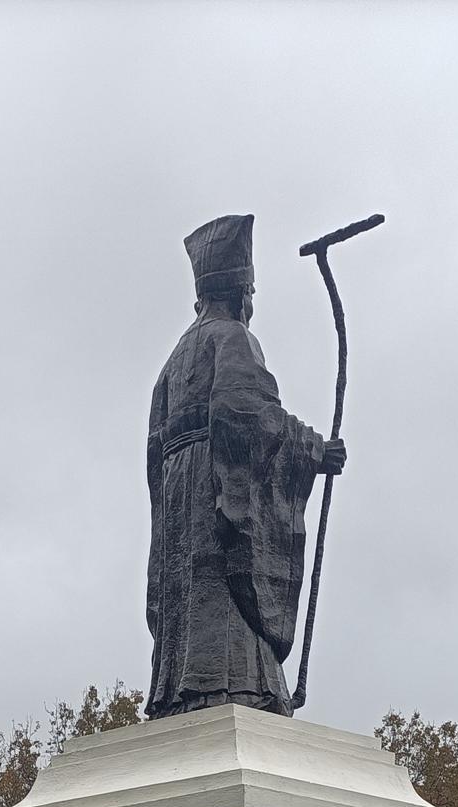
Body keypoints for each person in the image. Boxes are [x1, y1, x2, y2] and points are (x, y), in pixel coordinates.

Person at [146, 213, 345, 719]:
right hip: (216, 483)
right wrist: (312, 449)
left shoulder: (173, 359)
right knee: (227, 582)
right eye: (251, 290)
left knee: (191, 586)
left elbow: (153, 446)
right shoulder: (233, 337)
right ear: (239, 291)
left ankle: (178, 689)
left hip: (179, 493)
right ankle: (236, 685)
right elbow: (244, 414)